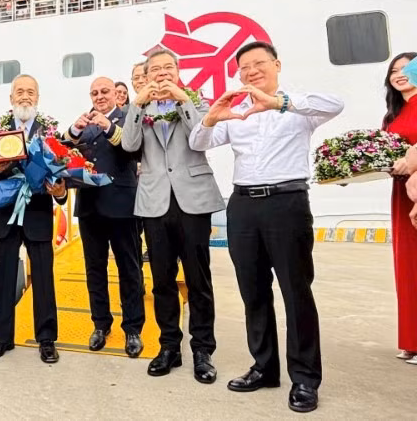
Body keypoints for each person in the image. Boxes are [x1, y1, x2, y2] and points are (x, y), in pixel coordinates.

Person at [189, 41, 344, 413]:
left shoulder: (298, 108)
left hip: (286, 202)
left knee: (295, 291)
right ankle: (264, 368)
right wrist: (213, 116)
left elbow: (336, 104)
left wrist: (278, 102)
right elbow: (198, 142)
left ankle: (305, 378)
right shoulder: (238, 113)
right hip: (242, 205)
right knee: (253, 292)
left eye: (259, 63)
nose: (251, 71)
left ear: (276, 64)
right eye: (244, 67)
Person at [122, 49, 224, 383]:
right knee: (162, 279)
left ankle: (203, 349)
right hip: (155, 202)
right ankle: (168, 346)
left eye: (169, 67)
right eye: (155, 69)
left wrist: (182, 99)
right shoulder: (141, 108)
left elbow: (202, 138)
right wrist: (136, 104)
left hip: (192, 199)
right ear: (147, 74)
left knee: (198, 279)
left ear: (179, 71)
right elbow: (129, 144)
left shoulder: (197, 101)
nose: (162, 73)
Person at [0, 75, 67, 363]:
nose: (25, 97)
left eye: (31, 92)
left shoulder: (50, 130)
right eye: (20, 92)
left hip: (38, 211)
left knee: (43, 277)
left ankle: (46, 339)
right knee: (4, 277)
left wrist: (60, 191)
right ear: (11, 98)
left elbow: (61, 172)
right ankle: (3, 338)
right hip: (6, 211)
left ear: (38, 98)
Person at [64, 77, 144, 357]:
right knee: (94, 269)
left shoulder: (128, 118)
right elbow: (64, 150)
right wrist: (75, 128)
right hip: (90, 206)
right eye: (94, 92)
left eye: (105, 91)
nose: (99, 96)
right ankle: (100, 324)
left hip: (122, 205)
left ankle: (133, 328)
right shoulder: (85, 123)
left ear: (116, 95)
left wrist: (107, 126)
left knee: (128, 269)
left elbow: (132, 149)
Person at [382, 51, 417, 366]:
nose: (400, 74)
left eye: (407, 68)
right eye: (394, 70)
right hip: (402, 194)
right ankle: (412, 340)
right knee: (407, 266)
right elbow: (382, 157)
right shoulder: (392, 116)